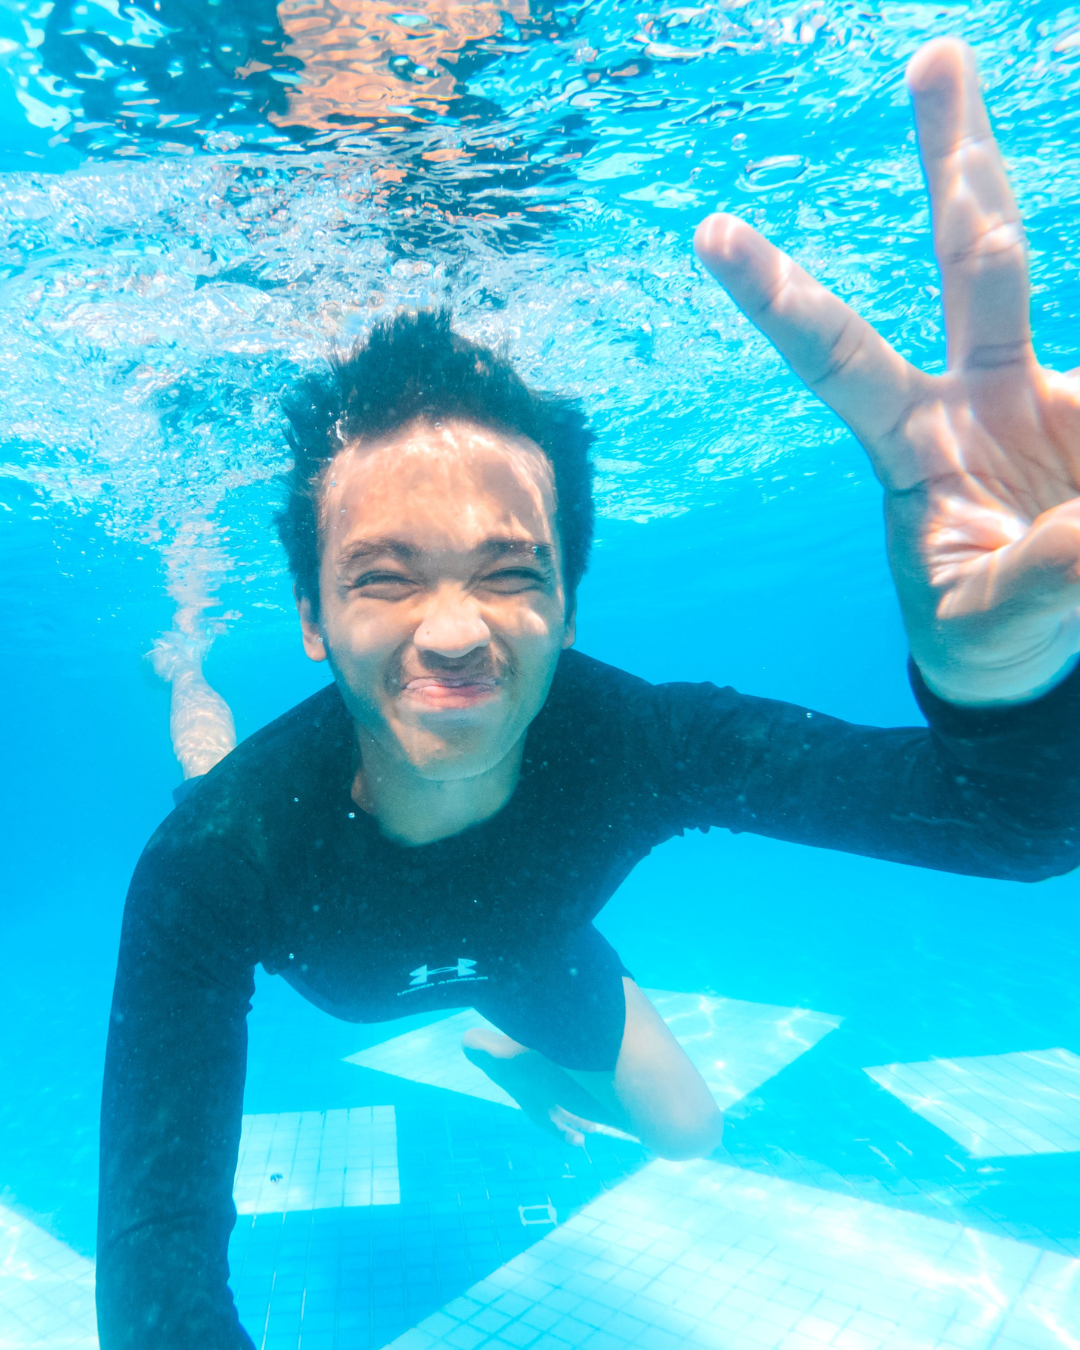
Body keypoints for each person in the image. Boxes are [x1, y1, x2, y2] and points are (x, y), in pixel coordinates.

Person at [98, 37, 1080, 1349]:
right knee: (207, 771)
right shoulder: (213, 865)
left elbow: (1015, 833)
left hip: (519, 949)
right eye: (385, 578)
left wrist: (1001, 683)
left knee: (693, 1131)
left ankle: (508, 1054)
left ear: (570, 600)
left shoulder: (636, 739)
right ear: (314, 619)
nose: (455, 633)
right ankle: (197, 701)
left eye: (510, 571)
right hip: (331, 925)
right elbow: (158, 1267)